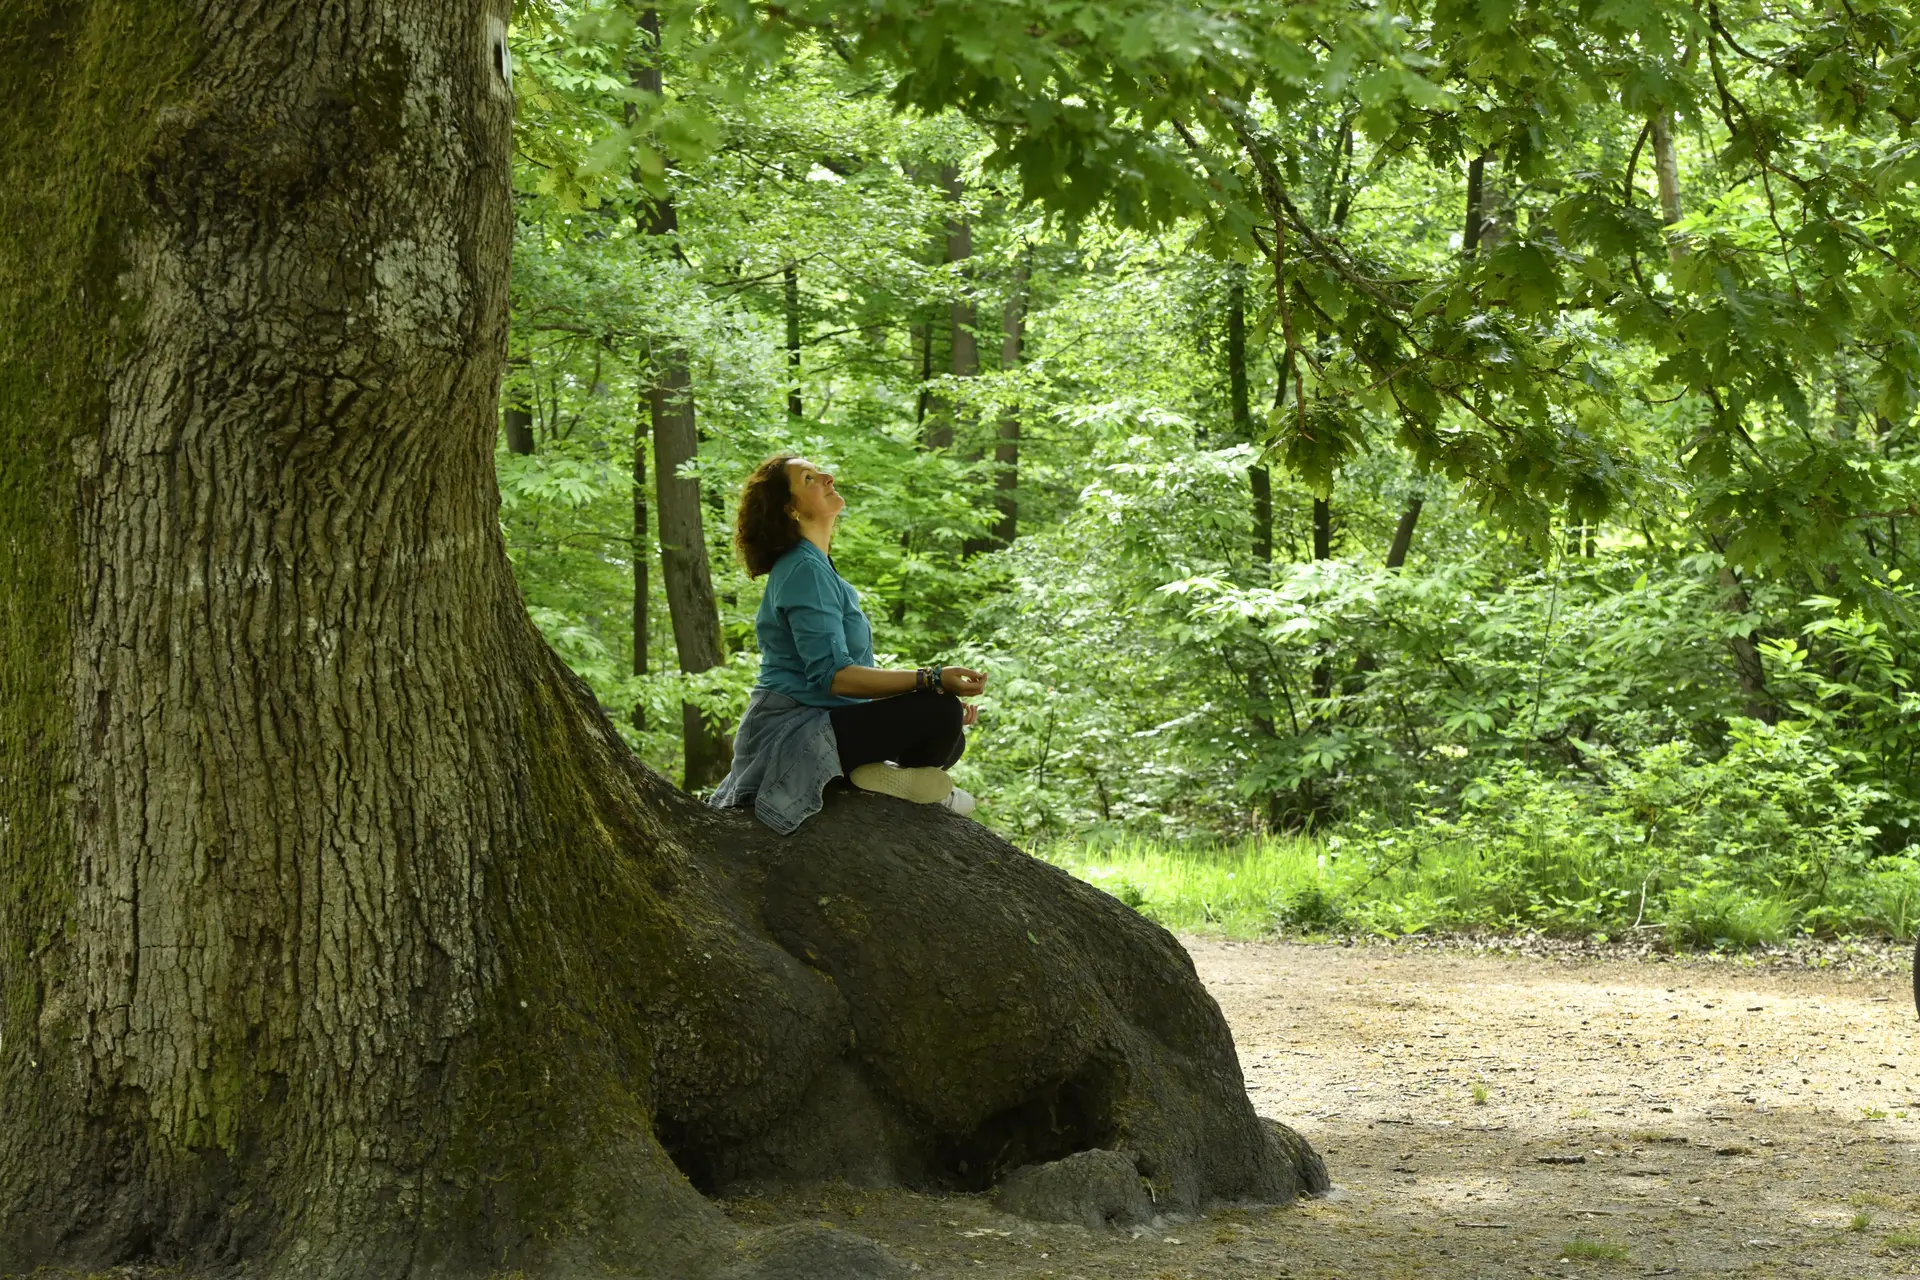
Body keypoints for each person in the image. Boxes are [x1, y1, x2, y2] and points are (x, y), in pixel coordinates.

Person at [708, 452, 988, 834]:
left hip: (826, 718)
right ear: (791, 509)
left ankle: (874, 775)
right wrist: (930, 679)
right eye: (808, 479)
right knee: (939, 712)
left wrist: (931, 694)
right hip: (793, 730)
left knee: (950, 731)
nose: (827, 476)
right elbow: (834, 677)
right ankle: (879, 776)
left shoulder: (818, 567)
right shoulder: (804, 569)